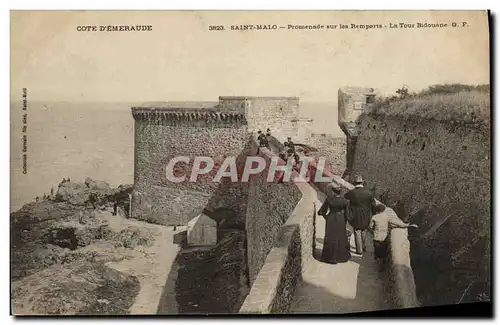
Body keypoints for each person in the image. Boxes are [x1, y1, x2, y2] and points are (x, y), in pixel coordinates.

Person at [369, 203, 418, 270]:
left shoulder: (374, 217)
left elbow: (370, 227)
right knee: (384, 250)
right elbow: (397, 223)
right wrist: (407, 225)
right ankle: (383, 263)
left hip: (376, 236)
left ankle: (378, 261)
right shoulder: (387, 217)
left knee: (377, 250)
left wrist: (372, 230)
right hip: (384, 236)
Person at [318, 183, 351, 264]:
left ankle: (329, 257)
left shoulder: (329, 199)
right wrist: (345, 222)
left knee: (330, 237)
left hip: (331, 218)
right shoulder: (345, 201)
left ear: (333, 191)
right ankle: (340, 257)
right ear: (341, 192)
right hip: (341, 219)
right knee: (340, 237)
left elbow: (322, 211)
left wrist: (326, 217)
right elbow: (347, 214)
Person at [344, 174, 377, 254]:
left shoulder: (353, 192)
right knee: (364, 230)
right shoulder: (368, 193)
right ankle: (363, 246)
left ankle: (359, 250)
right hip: (366, 215)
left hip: (356, 215)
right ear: (362, 183)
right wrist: (373, 214)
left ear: (355, 183)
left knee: (357, 231)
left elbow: (345, 196)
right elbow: (373, 204)